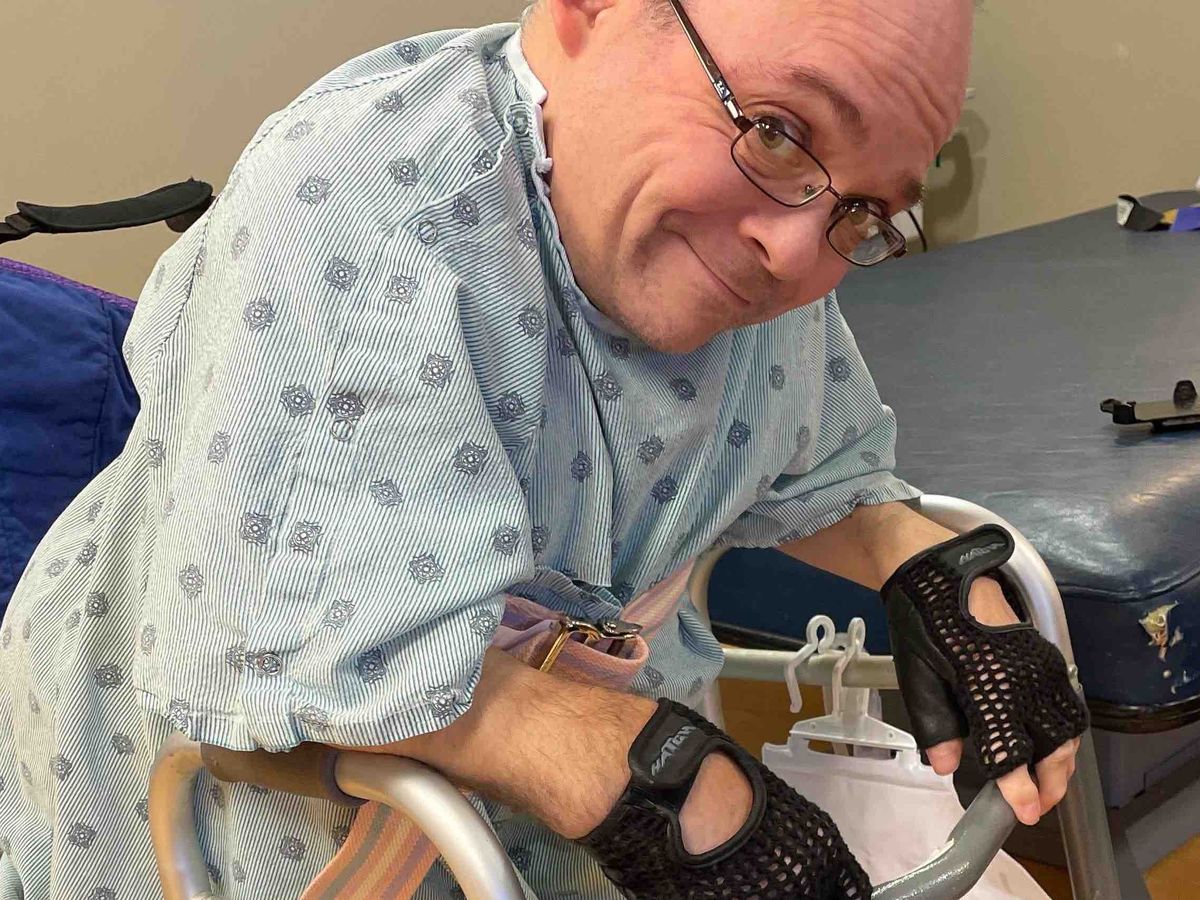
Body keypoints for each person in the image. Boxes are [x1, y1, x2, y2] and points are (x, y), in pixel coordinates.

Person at [0, 0, 1088, 897]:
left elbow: (805, 461)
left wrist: (924, 565)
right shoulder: (368, 216)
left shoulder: (761, 227)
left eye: (866, 213)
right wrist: (648, 770)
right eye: (774, 129)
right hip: (261, 827)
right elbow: (295, 656)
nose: (795, 253)